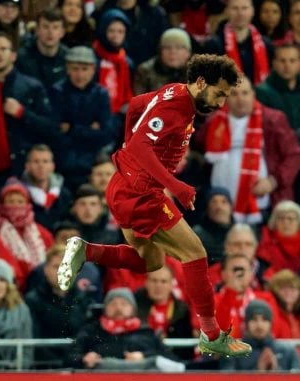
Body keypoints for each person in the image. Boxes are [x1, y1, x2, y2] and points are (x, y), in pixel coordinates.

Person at [57, 54, 252, 357]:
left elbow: (135, 105)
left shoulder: (174, 90)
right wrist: (175, 185)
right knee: (195, 254)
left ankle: (87, 250)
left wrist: (128, 153)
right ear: (200, 82)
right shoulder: (177, 106)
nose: (222, 103)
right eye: (219, 93)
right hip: (142, 195)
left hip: (125, 186)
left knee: (150, 261)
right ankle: (211, 334)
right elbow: (139, 144)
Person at [200, 76, 300, 223]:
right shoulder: (214, 121)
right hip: (221, 206)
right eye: (234, 94)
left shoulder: (273, 120)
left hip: (261, 202)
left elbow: (294, 155)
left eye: (245, 93)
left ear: (253, 94)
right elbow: (196, 146)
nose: (240, 99)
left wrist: (273, 181)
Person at [0, 31, 56, 177]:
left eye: (3, 49)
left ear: (13, 55)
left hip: (19, 163)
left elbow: (49, 127)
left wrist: (22, 113)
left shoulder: (31, 87)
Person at [68, 287, 184, 372]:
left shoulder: (147, 332)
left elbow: (172, 360)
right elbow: (69, 358)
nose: (118, 308)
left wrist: (146, 356)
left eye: (124, 304)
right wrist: (84, 359)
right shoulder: (91, 331)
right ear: (105, 308)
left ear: (133, 309)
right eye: (113, 304)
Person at [51, 46, 116, 191]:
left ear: (93, 69)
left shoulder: (100, 94)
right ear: (67, 69)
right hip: (64, 163)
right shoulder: (57, 92)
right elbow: (55, 131)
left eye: (84, 69)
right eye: (75, 69)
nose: (80, 75)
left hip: (92, 162)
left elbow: (106, 134)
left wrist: (72, 128)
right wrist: (89, 129)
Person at [24, 245, 94, 368]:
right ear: (46, 270)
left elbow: (87, 336)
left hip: (78, 367)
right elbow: (35, 340)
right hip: (44, 368)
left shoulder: (84, 299)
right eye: (56, 266)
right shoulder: (32, 300)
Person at [0, 178, 54, 284]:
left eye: (20, 201)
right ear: (2, 204)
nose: (16, 205)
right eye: (11, 201)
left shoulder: (41, 232)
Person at [220, 299, 300, 371]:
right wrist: (258, 372)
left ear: (271, 323)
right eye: (254, 319)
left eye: (264, 319)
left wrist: (275, 371)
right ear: (246, 323)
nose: (259, 325)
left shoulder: (288, 351)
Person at [255, 43, 300, 130]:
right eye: (282, 61)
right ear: (274, 64)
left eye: (292, 61)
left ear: (299, 64)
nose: (287, 66)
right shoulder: (261, 92)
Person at [214, 253, 281, 339]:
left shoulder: (265, 298)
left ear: (251, 275)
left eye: (243, 270)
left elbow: (273, 330)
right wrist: (230, 293)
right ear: (223, 274)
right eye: (235, 270)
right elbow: (220, 332)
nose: (239, 274)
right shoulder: (212, 301)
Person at [134, 266, 194, 361]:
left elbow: (186, 350)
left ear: (171, 285)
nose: (158, 286)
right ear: (146, 283)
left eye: (163, 281)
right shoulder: (135, 305)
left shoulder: (182, 310)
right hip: (141, 358)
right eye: (154, 281)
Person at [256, 200, 300, 279]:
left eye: (290, 219)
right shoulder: (265, 239)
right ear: (274, 222)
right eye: (281, 219)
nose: (285, 222)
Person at [20, 144, 73, 231]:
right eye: (36, 161)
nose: (41, 166)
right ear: (27, 166)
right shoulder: (20, 193)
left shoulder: (64, 194)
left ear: (52, 166)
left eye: (45, 161)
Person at [16, 7, 68, 88]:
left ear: (62, 32)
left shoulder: (68, 58)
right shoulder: (22, 57)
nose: (50, 32)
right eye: (45, 27)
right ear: (37, 30)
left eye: (55, 27)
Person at [132, 28, 192, 96]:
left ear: (188, 52)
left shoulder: (196, 73)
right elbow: (139, 101)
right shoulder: (145, 71)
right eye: (167, 47)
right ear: (160, 51)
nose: (172, 52)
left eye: (178, 47)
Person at [192, 187, 234, 265]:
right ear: (207, 208)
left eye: (224, 202)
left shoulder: (241, 233)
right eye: (214, 202)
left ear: (231, 207)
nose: (219, 207)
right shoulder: (197, 235)